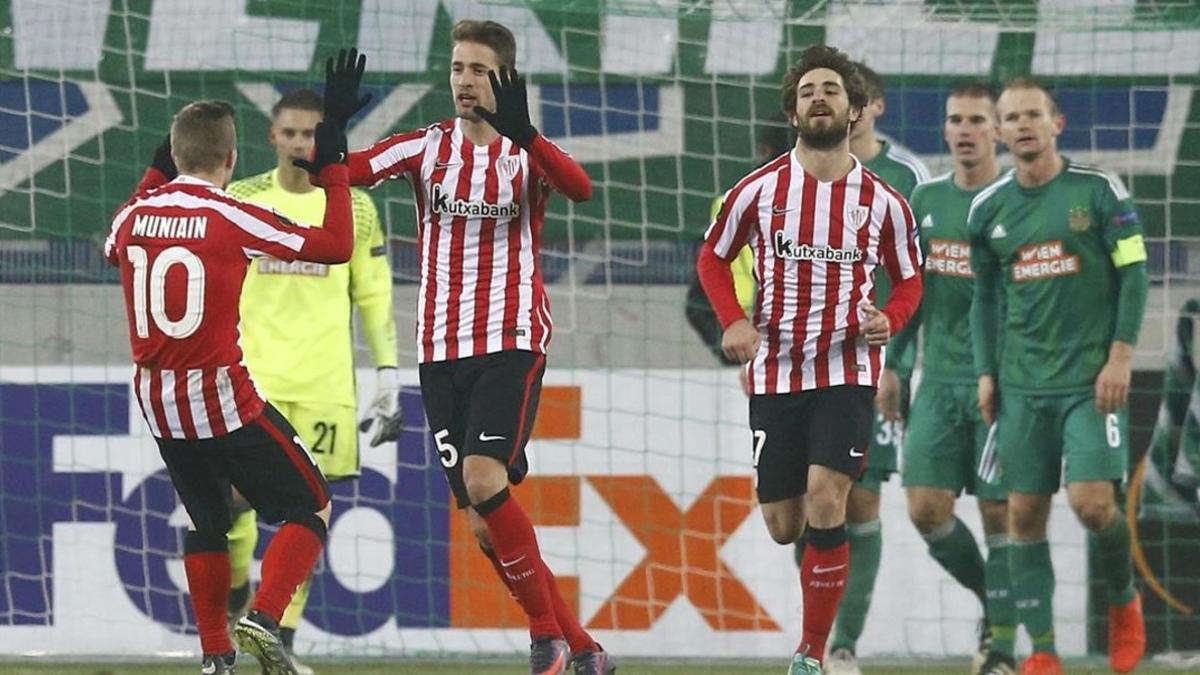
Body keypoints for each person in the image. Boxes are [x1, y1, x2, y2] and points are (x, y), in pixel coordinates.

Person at [316, 24, 611, 675]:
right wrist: (330, 126)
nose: (465, 79)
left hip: (510, 340)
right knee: (483, 522)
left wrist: (528, 134)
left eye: (479, 68)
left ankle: (545, 638)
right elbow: (337, 175)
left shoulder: (524, 153)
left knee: (485, 479)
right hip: (441, 351)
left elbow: (581, 188)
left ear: (503, 78)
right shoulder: (427, 147)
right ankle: (584, 647)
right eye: (457, 67)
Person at [103, 95, 354, 675]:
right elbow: (335, 247)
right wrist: (335, 171)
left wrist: (153, 174)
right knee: (311, 505)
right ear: (232, 158)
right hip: (219, 397)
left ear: (173, 153)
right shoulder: (230, 211)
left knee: (207, 519)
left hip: (158, 401)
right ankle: (265, 618)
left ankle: (215, 657)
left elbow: (115, 245)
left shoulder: (132, 216)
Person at [697, 44, 923, 675]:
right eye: (806, 91)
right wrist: (734, 321)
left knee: (831, 498)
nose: (818, 97)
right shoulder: (757, 191)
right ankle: (815, 638)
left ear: (854, 110)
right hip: (775, 370)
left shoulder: (884, 202)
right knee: (783, 523)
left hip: (848, 370)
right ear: (794, 113)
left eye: (830, 89)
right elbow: (712, 259)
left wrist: (890, 320)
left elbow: (909, 280)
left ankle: (812, 654)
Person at [968, 76, 1148, 675]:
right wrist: (987, 372)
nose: (1021, 125)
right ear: (999, 131)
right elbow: (985, 299)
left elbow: (1136, 274)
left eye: (1032, 115)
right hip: (1021, 388)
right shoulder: (987, 210)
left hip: (1092, 383)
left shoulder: (1099, 192)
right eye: (1011, 117)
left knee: (1094, 505)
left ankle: (1124, 600)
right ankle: (1042, 650)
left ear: (1056, 124)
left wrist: (1121, 356)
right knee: (1022, 515)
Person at [222, 86, 401, 675]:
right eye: (290, 132)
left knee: (310, 513)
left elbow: (373, 299)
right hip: (252, 384)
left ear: (325, 138)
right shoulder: (241, 197)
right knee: (232, 513)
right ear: (272, 136)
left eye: (310, 133)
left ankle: (280, 643)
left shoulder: (356, 205)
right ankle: (233, 594)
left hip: (325, 383)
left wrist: (389, 376)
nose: (300, 142)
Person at [808, 60, 931, 675]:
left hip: (871, 367)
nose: (840, 108)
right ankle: (817, 633)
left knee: (860, 500)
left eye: (851, 97)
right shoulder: (797, 168)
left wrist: (897, 361)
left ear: (871, 106)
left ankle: (841, 646)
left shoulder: (908, 178)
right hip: (798, 366)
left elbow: (918, 275)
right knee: (799, 508)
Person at [895, 83, 1013, 675]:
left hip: (1001, 384)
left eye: (976, 120)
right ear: (944, 131)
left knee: (999, 516)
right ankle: (1002, 608)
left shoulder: (1017, 200)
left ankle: (1002, 643)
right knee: (925, 508)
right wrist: (893, 367)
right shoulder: (927, 199)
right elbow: (907, 292)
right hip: (936, 382)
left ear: (997, 131)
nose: (964, 130)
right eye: (954, 120)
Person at [685, 115, 791, 367]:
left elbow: (696, 302)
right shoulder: (833, 202)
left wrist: (729, 346)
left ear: (763, 150)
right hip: (809, 342)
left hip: (743, 334)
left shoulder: (728, 202)